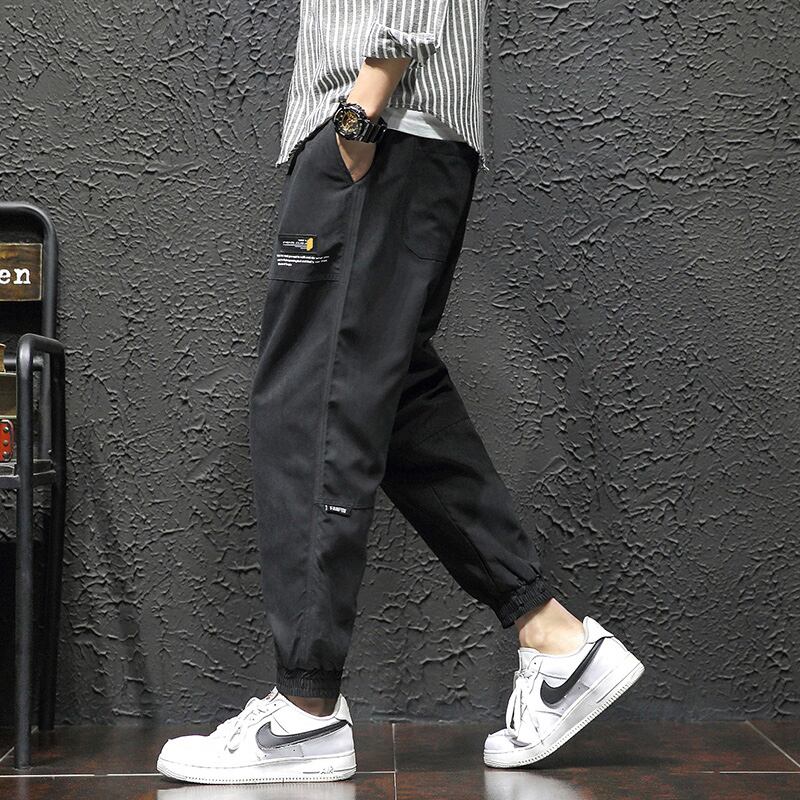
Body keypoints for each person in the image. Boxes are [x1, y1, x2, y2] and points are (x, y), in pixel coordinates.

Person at [156, 0, 644, 784]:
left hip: (381, 125)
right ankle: (556, 644)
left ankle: (305, 714)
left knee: (311, 403)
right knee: (390, 396)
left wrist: (365, 104)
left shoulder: (371, 115)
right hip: (402, 133)